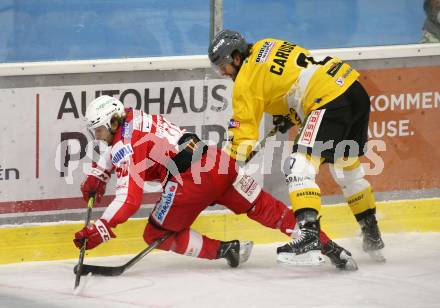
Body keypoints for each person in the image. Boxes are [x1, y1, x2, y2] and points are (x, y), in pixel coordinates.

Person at [73, 95, 358, 270]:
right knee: (267, 209)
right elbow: (119, 147)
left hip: (189, 184)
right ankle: (331, 248)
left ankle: (226, 250)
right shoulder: (133, 115)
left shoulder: (125, 144)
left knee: (154, 234)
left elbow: (128, 199)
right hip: (218, 163)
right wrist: (100, 173)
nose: (97, 136)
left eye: (99, 129)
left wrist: (102, 228)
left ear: (112, 122)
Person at [208, 29, 386, 265]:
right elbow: (291, 79)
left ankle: (309, 234)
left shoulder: (245, 81)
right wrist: (290, 114)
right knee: (346, 169)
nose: (222, 72)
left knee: (298, 167)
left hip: (327, 101)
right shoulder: (266, 44)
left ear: (237, 57)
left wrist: (221, 173)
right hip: (352, 90)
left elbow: (242, 137)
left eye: (224, 65)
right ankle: (371, 234)